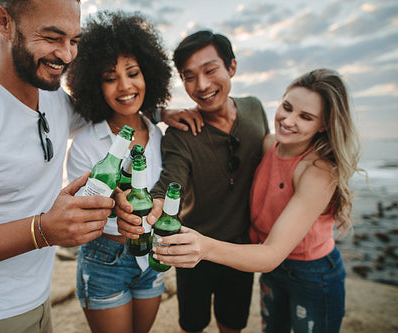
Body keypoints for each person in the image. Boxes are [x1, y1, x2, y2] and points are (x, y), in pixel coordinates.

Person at [0, 1, 200, 332]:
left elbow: (113, 106)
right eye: (53, 37)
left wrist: (160, 114)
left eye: (74, 40)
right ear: (4, 22)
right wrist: (41, 230)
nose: (68, 55)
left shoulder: (55, 100)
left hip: (40, 306)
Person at [152, 69, 362, 333]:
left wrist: (203, 247)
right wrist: (163, 113)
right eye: (287, 107)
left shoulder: (319, 172)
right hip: (272, 271)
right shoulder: (268, 145)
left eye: (305, 117)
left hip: (312, 273)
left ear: (324, 125)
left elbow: (272, 253)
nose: (288, 120)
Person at [116, 30, 270, 333]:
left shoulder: (254, 108)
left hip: (241, 249)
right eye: (188, 77)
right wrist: (152, 206)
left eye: (210, 70)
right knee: (192, 325)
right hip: (191, 247)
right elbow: (171, 179)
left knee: (232, 324)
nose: (201, 85)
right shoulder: (180, 133)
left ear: (232, 67)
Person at [65, 11, 174, 333]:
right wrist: (117, 206)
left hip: (151, 254)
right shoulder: (87, 142)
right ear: (94, 85)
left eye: (133, 73)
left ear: (149, 76)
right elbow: (81, 212)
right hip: (104, 258)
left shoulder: (157, 133)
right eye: (110, 77)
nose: (125, 86)